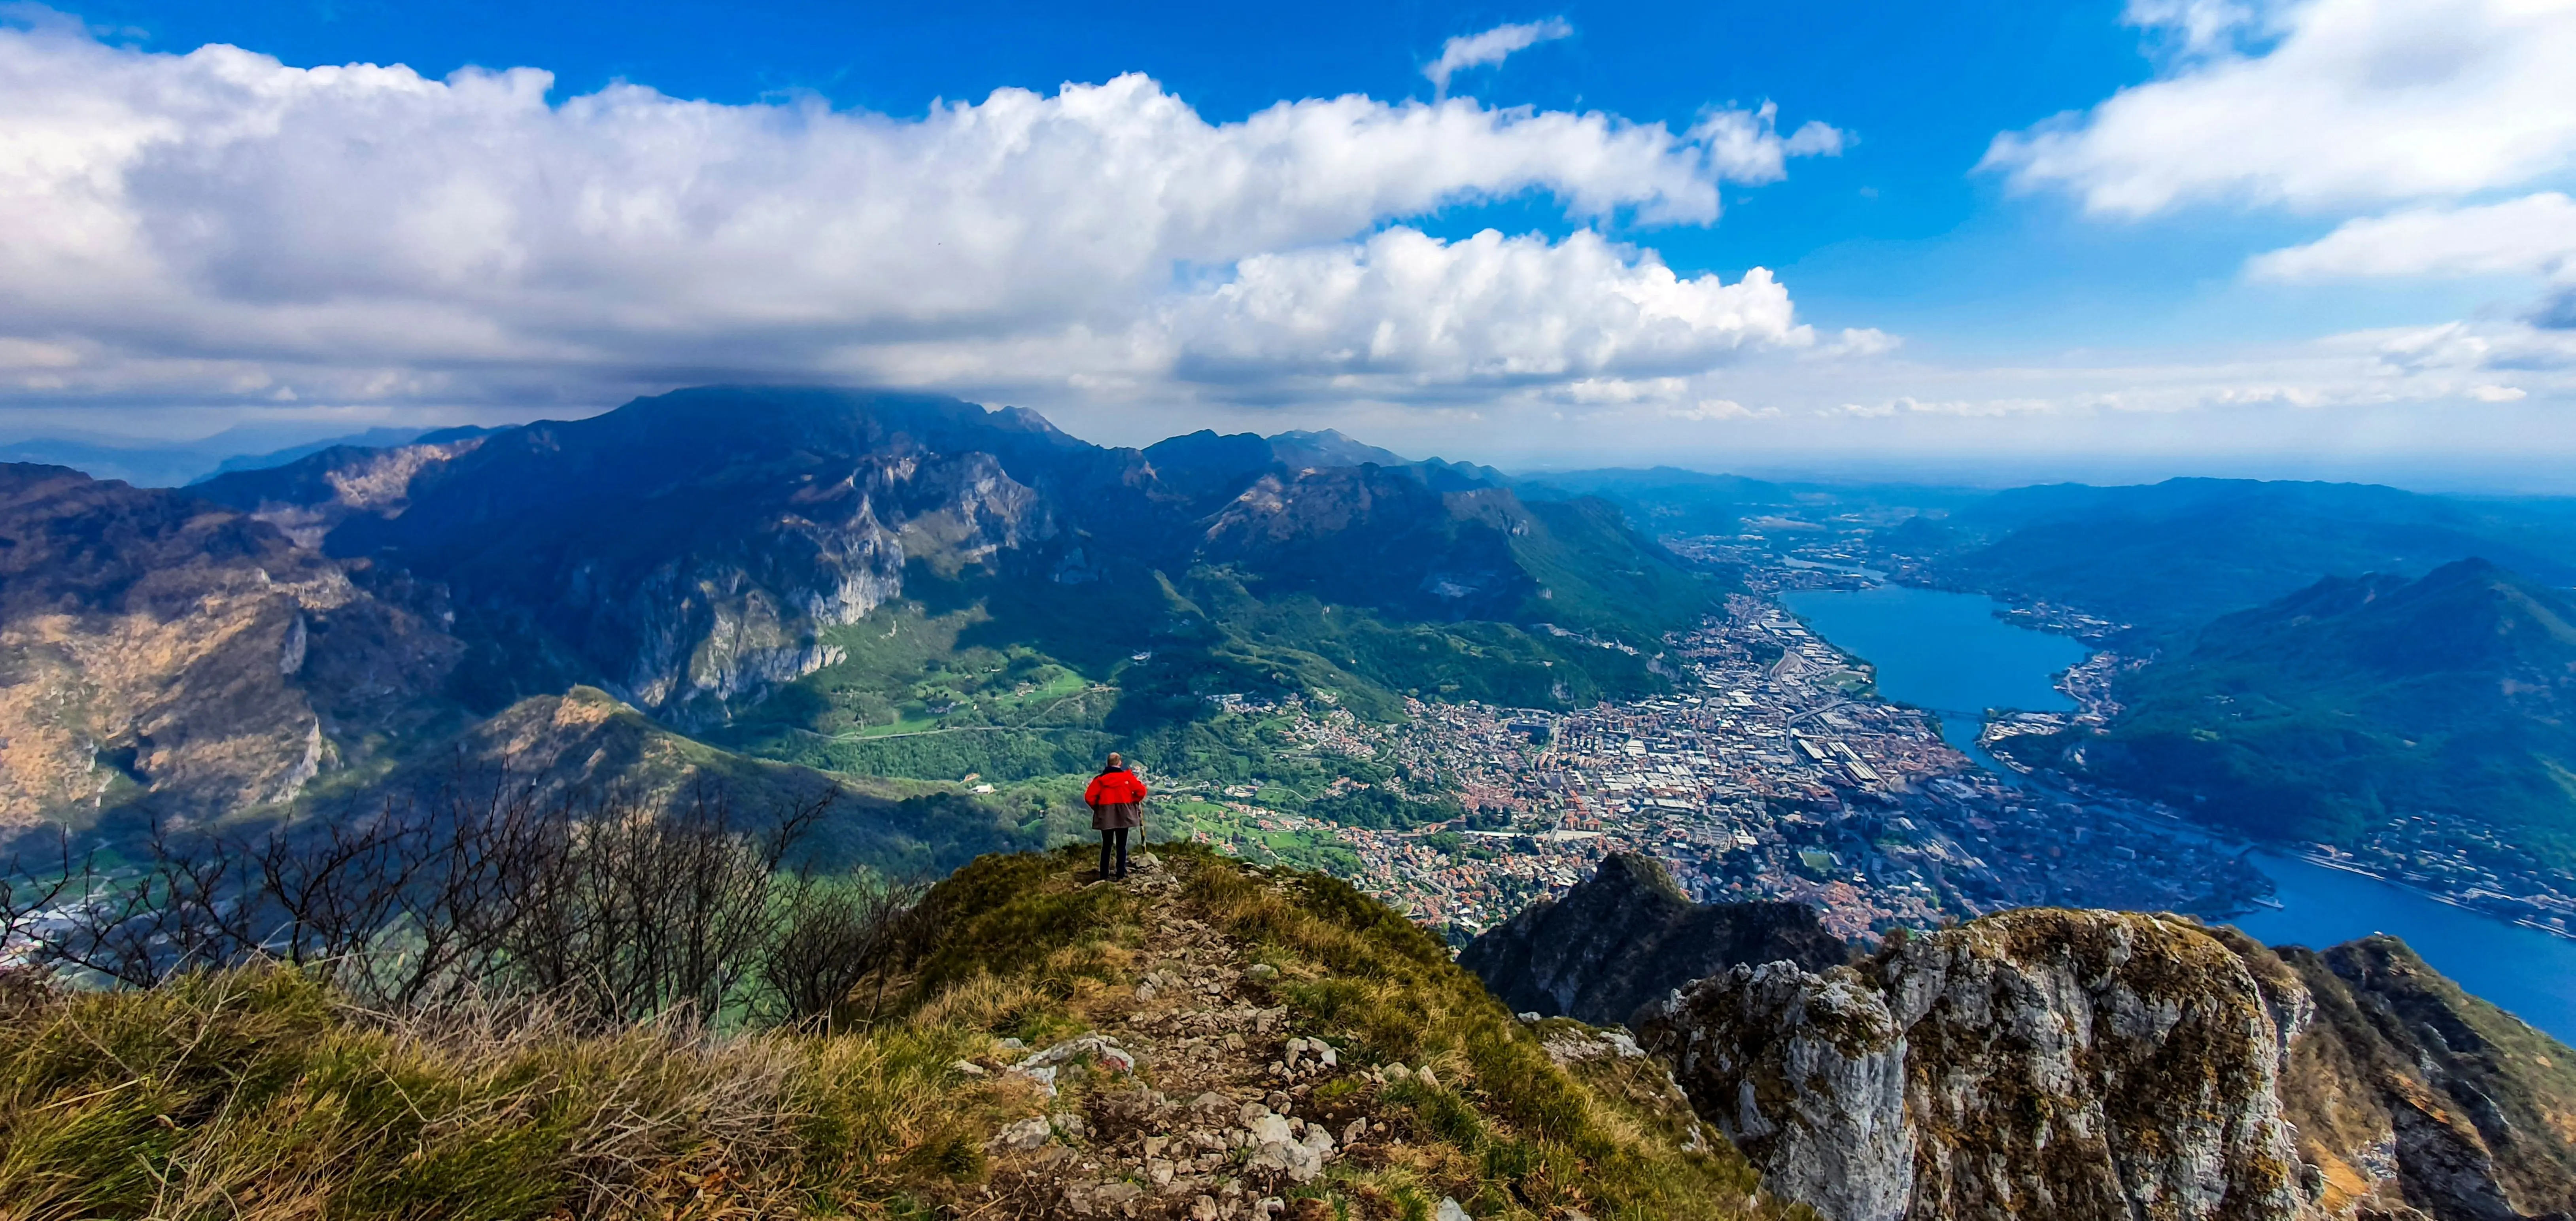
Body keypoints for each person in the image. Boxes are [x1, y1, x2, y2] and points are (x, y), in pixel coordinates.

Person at [1084, 752, 1149, 880]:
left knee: (1107, 846)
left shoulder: (1100, 780)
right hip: (1124, 816)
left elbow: (1089, 797)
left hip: (1106, 817)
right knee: (1121, 845)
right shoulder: (1128, 778)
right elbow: (1142, 792)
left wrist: (1099, 808)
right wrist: (1132, 801)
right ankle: (1121, 874)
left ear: (1108, 764)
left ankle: (1104, 875)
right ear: (1120, 763)